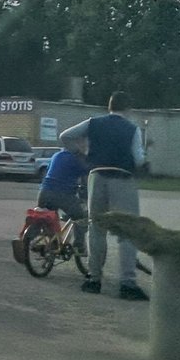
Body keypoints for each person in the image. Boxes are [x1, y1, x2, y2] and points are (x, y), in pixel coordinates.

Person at [59, 91, 148, 301]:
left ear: (109, 107)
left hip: (96, 176)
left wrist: (82, 154)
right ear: (128, 108)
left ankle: (94, 279)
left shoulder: (93, 123)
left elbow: (65, 136)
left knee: (96, 229)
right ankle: (127, 283)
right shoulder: (132, 129)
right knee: (127, 231)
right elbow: (138, 160)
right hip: (122, 178)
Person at [38, 140, 89, 247]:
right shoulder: (78, 160)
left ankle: (52, 243)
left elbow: (49, 172)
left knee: (50, 217)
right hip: (63, 194)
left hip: (44, 192)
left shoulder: (56, 155)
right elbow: (86, 179)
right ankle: (79, 246)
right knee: (80, 217)